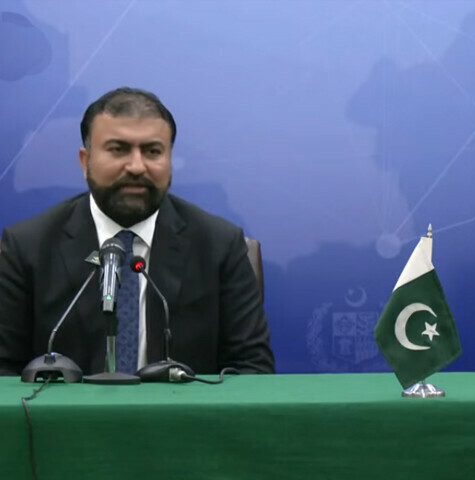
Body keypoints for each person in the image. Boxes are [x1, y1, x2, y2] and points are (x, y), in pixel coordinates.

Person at [0, 87, 275, 375]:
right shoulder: (28, 247)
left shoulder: (219, 245)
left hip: (180, 406)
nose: (136, 166)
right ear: (85, 161)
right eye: (118, 149)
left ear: (169, 161)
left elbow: (252, 369)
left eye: (152, 151)